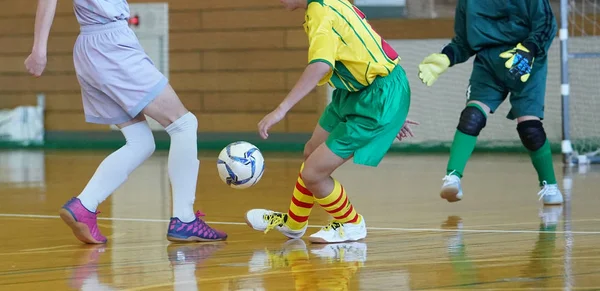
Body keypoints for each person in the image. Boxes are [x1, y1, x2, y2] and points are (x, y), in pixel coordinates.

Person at [24, 0, 227, 244]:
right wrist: (39, 49)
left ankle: (84, 206)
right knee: (183, 124)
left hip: (90, 46)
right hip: (111, 44)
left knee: (141, 142)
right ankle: (184, 219)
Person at [244, 0, 416, 244]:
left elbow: (321, 64)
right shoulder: (331, 2)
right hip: (360, 92)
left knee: (314, 173)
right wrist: (393, 110)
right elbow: (364, 45)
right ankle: (294, 224)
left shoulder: (320, 11)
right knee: (311, 152)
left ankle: (352, 223)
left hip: (376, 97)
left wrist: (281, 109)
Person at [417, 0, 563, 205]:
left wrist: (529, 49)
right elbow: (463, 42)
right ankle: (453, 177)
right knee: (472, 116)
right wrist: (446, 57)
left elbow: (546, 25)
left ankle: (550, 185)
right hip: (489, 63)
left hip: (526, 61)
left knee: (530, 128)